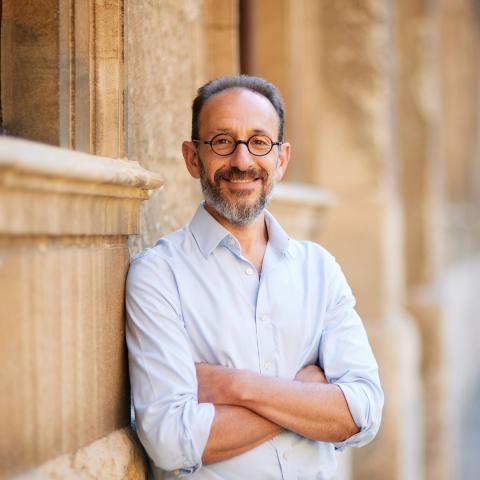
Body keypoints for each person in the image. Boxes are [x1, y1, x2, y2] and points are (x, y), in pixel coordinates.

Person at [126, 75, 383, 480]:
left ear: (281, 159)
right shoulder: (158, 276)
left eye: (259, 142)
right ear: (193, 158)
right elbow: (169, 440)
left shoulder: (320, 269)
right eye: (223, 142)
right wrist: (308, 396)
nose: (243, 161)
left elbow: (364, 413)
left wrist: (232, 387)